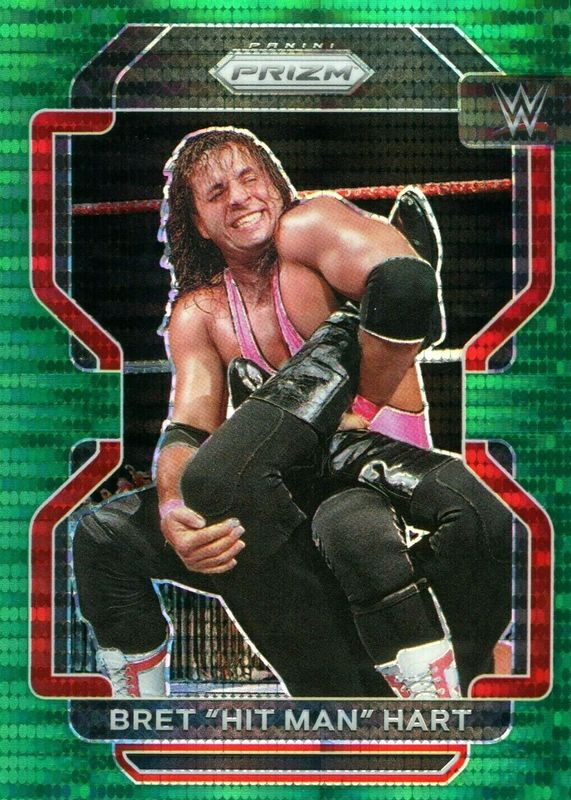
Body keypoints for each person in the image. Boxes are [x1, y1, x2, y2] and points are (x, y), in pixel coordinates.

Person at [73, 127, 511, 699]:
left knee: (348, 525)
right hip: (283, 515)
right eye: (216, 193)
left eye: (249, 178)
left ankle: (433, 682)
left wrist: (360, 402)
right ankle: (140, 710)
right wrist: (175, 510)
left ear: (277, 186)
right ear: (198, 223)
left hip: (376, 495)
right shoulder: (202, 312)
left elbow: (406, 285)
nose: (238, 197)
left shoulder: (309, 231)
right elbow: (185, 429)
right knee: (105, 534)